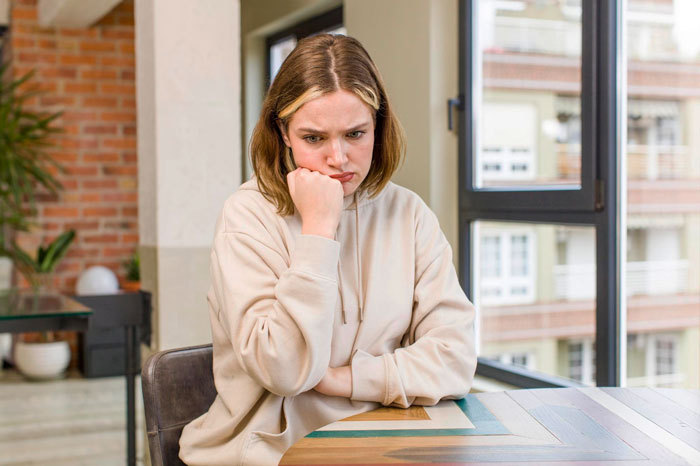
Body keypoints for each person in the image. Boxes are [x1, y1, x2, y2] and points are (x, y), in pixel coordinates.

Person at [178, 33, 477, 466]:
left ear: (378, 124)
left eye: (356, 133)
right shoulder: (246, 216)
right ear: (283, 133)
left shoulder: (409, 213)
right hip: (269, 452)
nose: (339, 158)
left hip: (383, 444)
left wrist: (345, 379)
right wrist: (319, 230)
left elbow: (455, 359)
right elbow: (284, 371)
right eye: (314, 138)